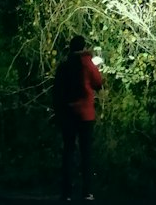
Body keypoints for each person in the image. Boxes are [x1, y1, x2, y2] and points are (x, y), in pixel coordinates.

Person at [53, 34, 103, 201]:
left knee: (68, 152)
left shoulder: (64, 66)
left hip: (68, 114)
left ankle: (66, 192)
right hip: (86, 115)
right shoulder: (87, 64)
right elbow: (98, 83)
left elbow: (57, 91)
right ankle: (87, 191)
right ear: (83, 47)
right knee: (86, 153)